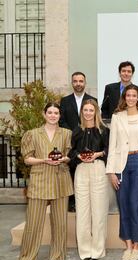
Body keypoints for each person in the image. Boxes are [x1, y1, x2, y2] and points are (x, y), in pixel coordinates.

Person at [16, 103, 72, 260]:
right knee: (33, 222)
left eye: (56, 113)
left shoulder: (67, 134)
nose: (53, 115)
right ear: (44, 114)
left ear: (60, 115)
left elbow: (70, 156)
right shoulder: (32, 134)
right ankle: (26, 259)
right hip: (40, 181)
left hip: (60, 180)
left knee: (60, 222)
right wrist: (44, 160)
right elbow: (27, 159)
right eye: (50, 112)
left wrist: (63, 159)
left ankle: (57, 254)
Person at [106, 84, 138, 260]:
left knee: (137, 204)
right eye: (128, 95)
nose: (131, 98)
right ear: (124, 97)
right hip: (121, 165)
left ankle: (137, 244)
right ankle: (128, 245)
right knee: (124, 203)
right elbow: (112, 146)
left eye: (134, 95)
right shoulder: (117, 117)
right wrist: (111, 171)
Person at [69, 99, 110, 260]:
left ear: (96, 112)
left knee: (99, 212)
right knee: (83, 212)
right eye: (85, 110)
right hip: (81, 171)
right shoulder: (76, 131)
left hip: (98, 169)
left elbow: (109, 150)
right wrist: (78, 155)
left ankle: (98, 250)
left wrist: (98, 154)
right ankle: (85, 250)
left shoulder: (103, 131)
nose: (87, 113)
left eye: (90, 110)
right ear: (82, 112)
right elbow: (71, 152)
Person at [59, 71, 96, 212]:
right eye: (75, 81)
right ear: (72, 83)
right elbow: (62, 120)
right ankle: (72, 202)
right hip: (72, 140)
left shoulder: (93, 100)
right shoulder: (65, 101)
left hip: (89, 139)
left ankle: (89, 200)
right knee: (73, 170)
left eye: (81, 81)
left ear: (85, 83)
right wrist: (74, 133)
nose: (78, 84)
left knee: (88, 170)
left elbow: (95, 117)